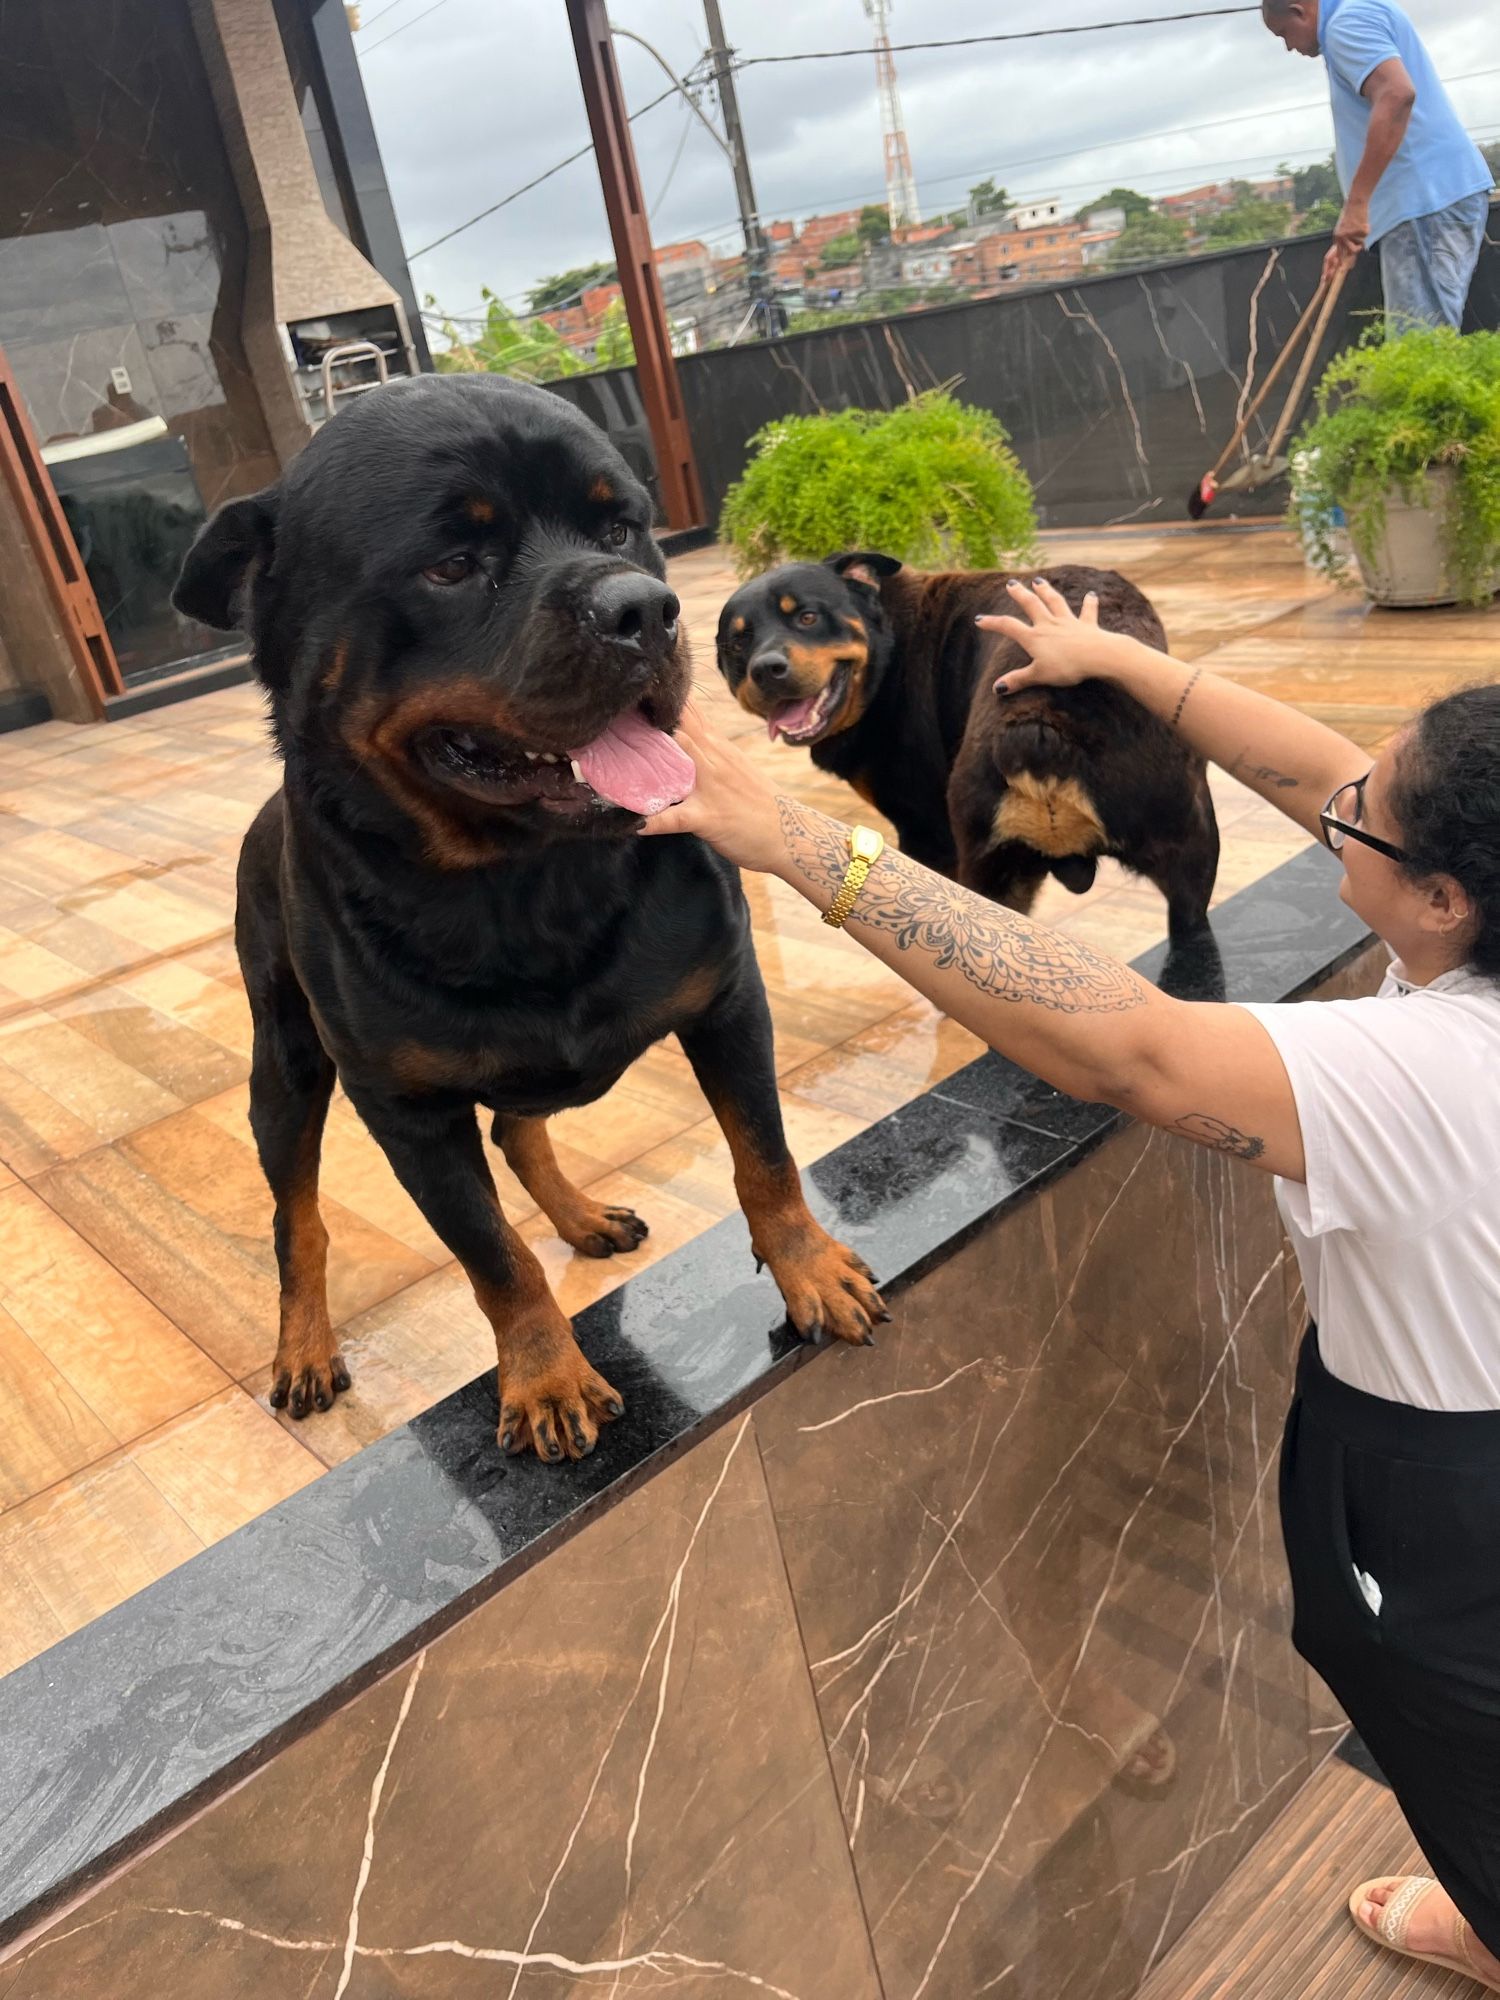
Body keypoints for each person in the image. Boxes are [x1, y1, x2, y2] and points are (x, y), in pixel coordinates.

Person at [642, 579, 1500, 1990]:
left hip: (1448, 1491)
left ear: (1445, 899)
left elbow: (1130, 1052)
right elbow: (1309, 763)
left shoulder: (1434, 1070)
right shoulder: (1479, 921)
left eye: (1366, 822)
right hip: (1435, 1424)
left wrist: (802, 845)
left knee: (1437, 1711)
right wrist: (1118, 664)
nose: (1335, 806)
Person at [1261, 0, 1493, 328]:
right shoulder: (1362, 9)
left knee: (1416, 349)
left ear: (1299, 10)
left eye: (1284, 33)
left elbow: (1397, 94)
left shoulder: (1345, 25)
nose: (1288, 46)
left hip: (1422, 204)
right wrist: (1355, 227)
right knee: (1424, 340)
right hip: (1432, 198)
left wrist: (1356, 206)